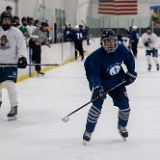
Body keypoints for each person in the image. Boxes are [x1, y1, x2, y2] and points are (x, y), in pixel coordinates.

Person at [83, 29, 137, 145]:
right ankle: (88, 131)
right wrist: (97, 87)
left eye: (113, 41)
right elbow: (93, 74)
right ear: (102, 42)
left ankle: (122, 126)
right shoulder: (96, 57)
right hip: (101, 83)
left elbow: (129, 58)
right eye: (108, 42)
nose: (111, 44)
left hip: (117, 81)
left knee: (125, 107)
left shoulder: (121, 48)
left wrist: (131, 72)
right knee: (96, 108)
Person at [0, 12, 27, 120]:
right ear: (1, 20)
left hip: (11, 63)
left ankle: (13, 106)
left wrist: (22, 57)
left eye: (8, 20)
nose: (6, 21)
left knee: (10, 86)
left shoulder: (16, 32)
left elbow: (21, 46)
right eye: (4, 19)